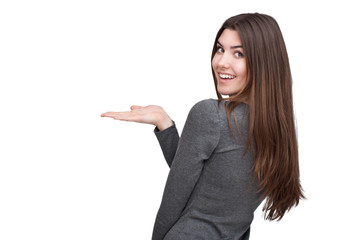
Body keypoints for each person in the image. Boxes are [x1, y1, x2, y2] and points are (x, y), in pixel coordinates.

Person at [101, 13, 305, 240]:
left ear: (264, 62)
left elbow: (176, 194)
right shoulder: (276, 126)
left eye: (238, 53)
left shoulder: (211, 115)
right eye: (220, 49)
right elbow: (204, 180)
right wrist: (164, 124)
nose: (221, 62)